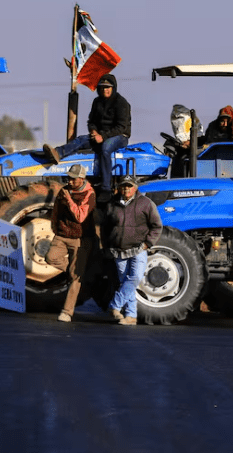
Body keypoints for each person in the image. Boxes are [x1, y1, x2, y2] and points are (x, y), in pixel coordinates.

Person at [42, 73, 130, 198]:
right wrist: (93, 131)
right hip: (100, 135)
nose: (105, 90)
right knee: (81, 140)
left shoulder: (122, 103)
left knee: (105, 148)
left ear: (113, 88)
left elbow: (121, 127)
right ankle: (57, 154)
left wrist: (103, 137)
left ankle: (106, 187)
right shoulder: (97, 102)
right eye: (102, 87)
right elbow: (91, 121)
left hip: (119, 136)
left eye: (108, 87)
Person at [102, 175, 162, 326]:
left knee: (135, 278)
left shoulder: (146, 203)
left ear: (135, 187)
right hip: (119, 250)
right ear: (119, 188)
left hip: (138, 248)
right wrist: (108, 245)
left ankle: (115, 305)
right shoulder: (112, 204)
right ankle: (131, 316)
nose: (126, 189)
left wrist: (147, 244)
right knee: (125, 282)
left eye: (129, 186)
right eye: (123, 186)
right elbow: (105, 227)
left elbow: (157, 226)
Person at [45, 164, 98, 323]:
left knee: (75, 277)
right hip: (62, 234)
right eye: (68, 178)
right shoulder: (64, 191)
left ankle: (67, 312)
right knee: (50, 258)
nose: (69, 181)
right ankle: (75, 272)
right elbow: (56, 209)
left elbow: (80, 217)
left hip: (80, 238)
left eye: (72, 179)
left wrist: (69, 200)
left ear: (81, 179)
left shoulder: (90, 194)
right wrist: (55, 226)